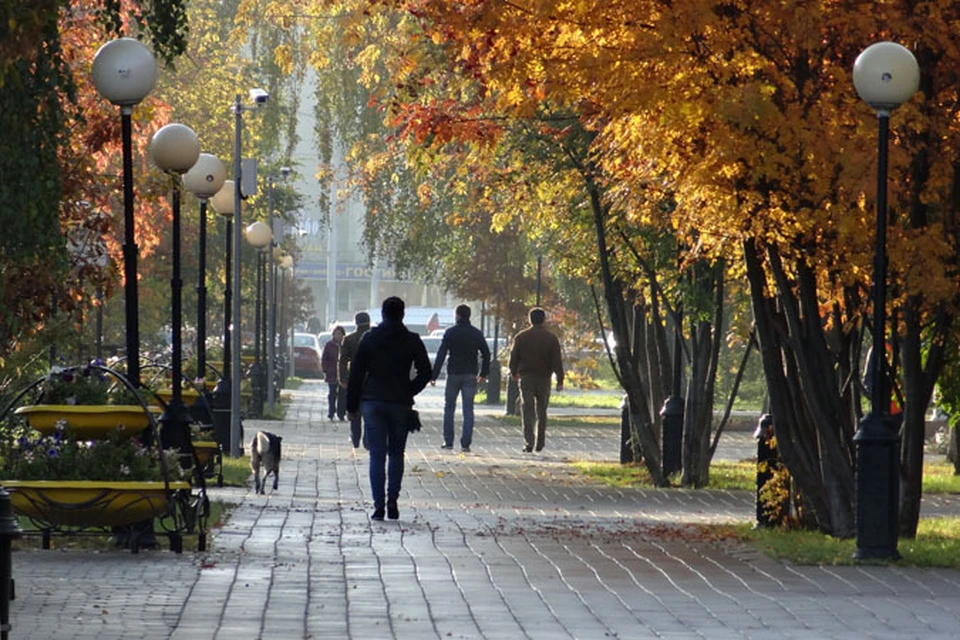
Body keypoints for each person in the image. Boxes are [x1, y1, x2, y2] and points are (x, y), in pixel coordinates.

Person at [346, 297, 432, 521]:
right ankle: (393, 501)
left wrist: (351, 406)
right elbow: (425, 372)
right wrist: (409, 390)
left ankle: (378, 506)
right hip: (399, 403)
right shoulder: (412, 339)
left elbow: (356, 373)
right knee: (396, 453)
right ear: (402, 314)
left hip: (373, 401)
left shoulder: (370, 338)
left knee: (377, 454)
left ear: (382, 314)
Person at [431, 304, 490, 452]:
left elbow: (441, 354)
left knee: (449, 407)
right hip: (470, 374)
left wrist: (434, 375)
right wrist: (483, 373)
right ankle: (465, 443)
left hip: (453, 374)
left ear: (457, 315)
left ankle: (448, 440)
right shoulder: (476, 333)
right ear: (469, 316)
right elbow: (486, 354)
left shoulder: (450, 333)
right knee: (468, 408)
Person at [508, 307, 564, 453]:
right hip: (544, 378)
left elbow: (513, 357)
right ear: (544, 319)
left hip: (526, 377)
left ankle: (529, 442)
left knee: (527, 409)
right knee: (542, 410)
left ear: (529, 319)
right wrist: (559, 379)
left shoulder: (521, 337)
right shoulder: (551, 338)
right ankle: (541, 442)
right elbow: (557, 360)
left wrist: (514, 372)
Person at [339, 311, 372, 447]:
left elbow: (342, 361)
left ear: (356, 322)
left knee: (354, 410)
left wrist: (343, 378)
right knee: (370, 411)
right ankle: (367, 439)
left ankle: (355, 437)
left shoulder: (349, 339)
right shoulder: (374, 337)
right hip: (371, 378)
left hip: (354, 377)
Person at [322, 326, 346, 420]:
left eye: (340, 334)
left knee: (342, 395)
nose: (338, 336)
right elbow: (324, 358)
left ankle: (341, 413)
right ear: (333, 335)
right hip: (332, 373)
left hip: (343, 374)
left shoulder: (345, 345)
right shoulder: (329, 345)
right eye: (336, 334)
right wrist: (325, 369)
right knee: (332, 394)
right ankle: (331, 412)